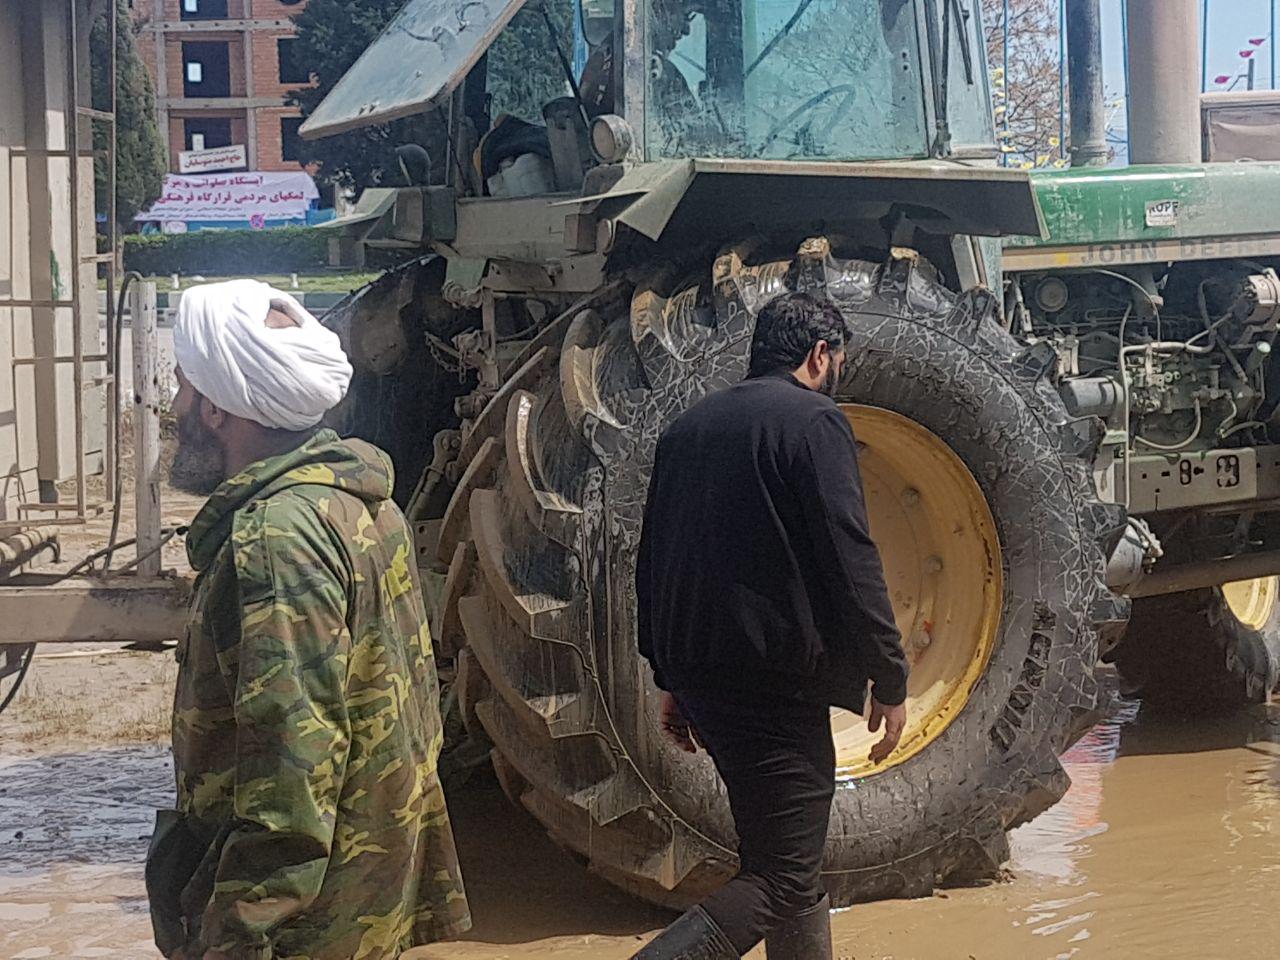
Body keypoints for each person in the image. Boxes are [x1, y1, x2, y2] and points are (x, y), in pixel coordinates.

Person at [146, 280, 470, 960]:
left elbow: (291, 770)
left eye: (182, 386)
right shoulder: (362, 503)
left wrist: (239, 934)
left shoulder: (278, 537)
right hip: (360, 897)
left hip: (304, 927)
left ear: (216, 408)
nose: (172, 406)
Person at [633, 292, 910, 960]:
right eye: (838, 358)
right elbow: (850, 555)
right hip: (772, 688)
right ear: (820, 355)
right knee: (784, 878)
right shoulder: (814, 422)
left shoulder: (689, 426)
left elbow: (657, 553)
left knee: (786, 862)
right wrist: (891, 675)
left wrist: (669, 676)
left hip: (705, 676)